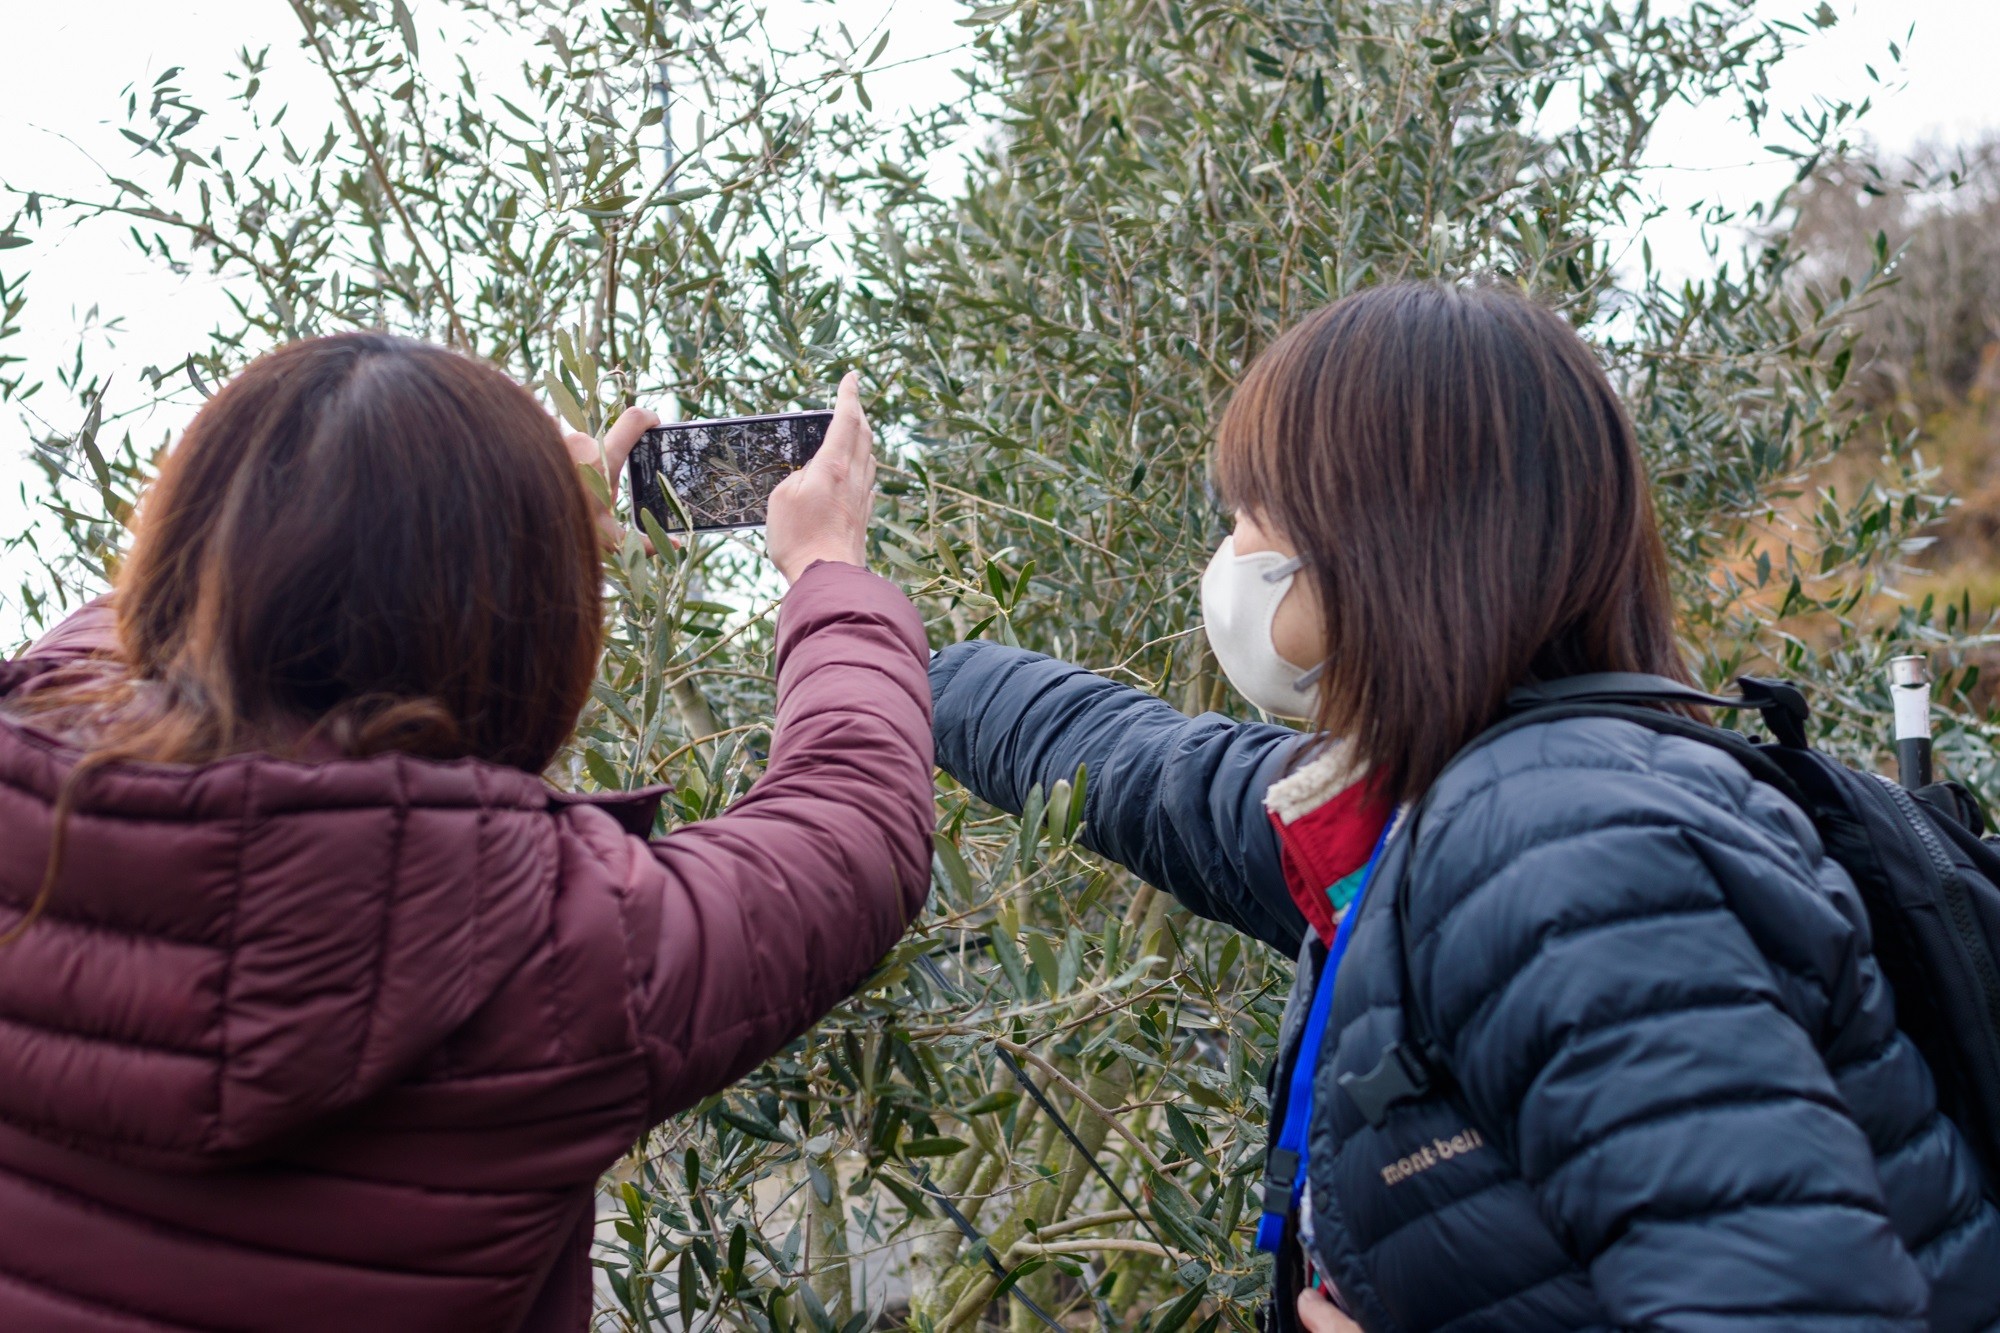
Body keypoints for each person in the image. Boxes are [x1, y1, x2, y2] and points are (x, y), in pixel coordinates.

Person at [930, 281, 2000, 1331]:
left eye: (1252, 512)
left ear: (1384, 538)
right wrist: (880, 650)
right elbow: (1142, 771)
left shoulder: (1562, 856)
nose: (1233, 557)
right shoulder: (1443, 811)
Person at [0, 335, 934, 1331]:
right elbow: (856, 816)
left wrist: (498, 518)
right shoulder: (566, 955)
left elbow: (134, 643)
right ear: (535, 629)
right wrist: (826, 565)